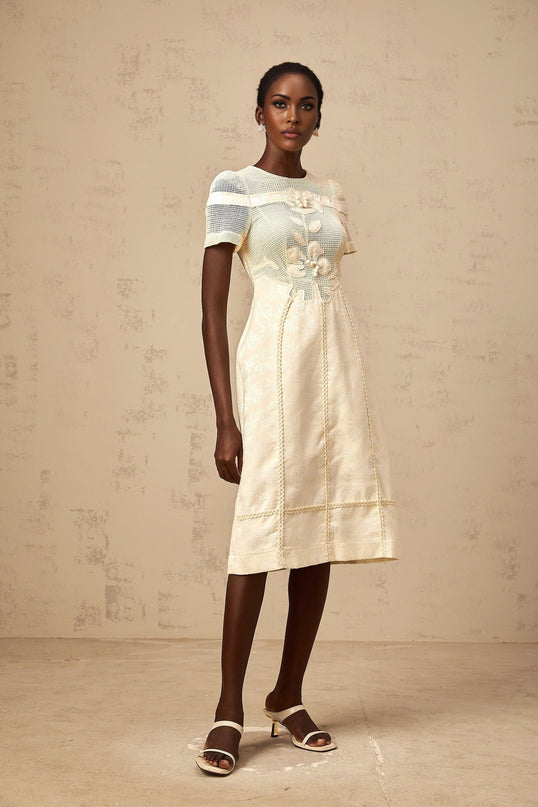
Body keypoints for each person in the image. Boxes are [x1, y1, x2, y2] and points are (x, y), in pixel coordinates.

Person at [197, 62, 398, 776]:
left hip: (335, 368)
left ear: (319, 116)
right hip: (271, 370)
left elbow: (330, 282)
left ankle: (288, 694)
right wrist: (226, 419)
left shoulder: (331, 192)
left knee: (319, 533)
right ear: (259, 112)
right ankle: (229, 706)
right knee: (258, 537)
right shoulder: (234, 187)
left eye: (306, 105)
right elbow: (212, 312)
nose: (293, 116)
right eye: (280, 104)